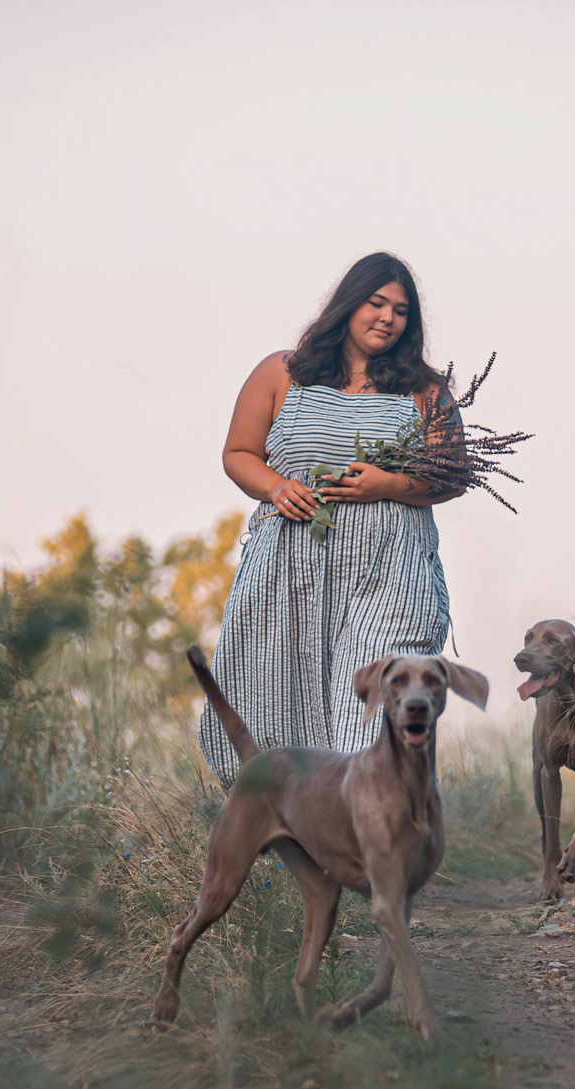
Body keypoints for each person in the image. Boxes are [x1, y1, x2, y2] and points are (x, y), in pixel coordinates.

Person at [200, 251, 461, 781]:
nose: (388, 317)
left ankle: (380, 839)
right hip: (288, 574)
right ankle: (295, 836)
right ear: (348, 303)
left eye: (402, 311)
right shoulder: (282, 373)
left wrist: (388, 484)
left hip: (390, 575)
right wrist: (276, 487)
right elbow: (239, 453)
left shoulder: (425, 391)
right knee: (273, 702)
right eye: (376, 303)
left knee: (372, 705)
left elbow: (452, 476)